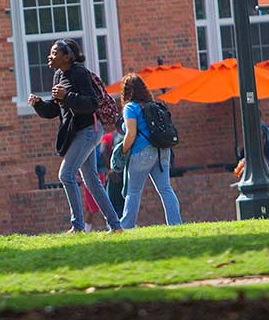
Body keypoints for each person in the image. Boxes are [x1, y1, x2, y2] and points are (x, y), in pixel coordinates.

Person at [28, 39, 123, 232]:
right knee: (90, 180)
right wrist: (38, 104)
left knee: (66, 174)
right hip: (77, 133)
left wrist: (67, 96)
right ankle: (115, 225)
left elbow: (91, 103)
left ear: (67, 57)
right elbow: (55, 110)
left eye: (54, 53)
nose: (50, 56)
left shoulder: (79, 73)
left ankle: (78, 226)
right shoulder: (57, 76)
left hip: (89, 130)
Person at [117, 72, 182, 228]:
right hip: (162, 151)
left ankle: (126, 226)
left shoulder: (130, 108)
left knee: (133, 192)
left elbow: (131, 134)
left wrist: (122, 151)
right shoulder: (154, 105)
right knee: (165, 189)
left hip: (141, 152)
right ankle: (176, 224)